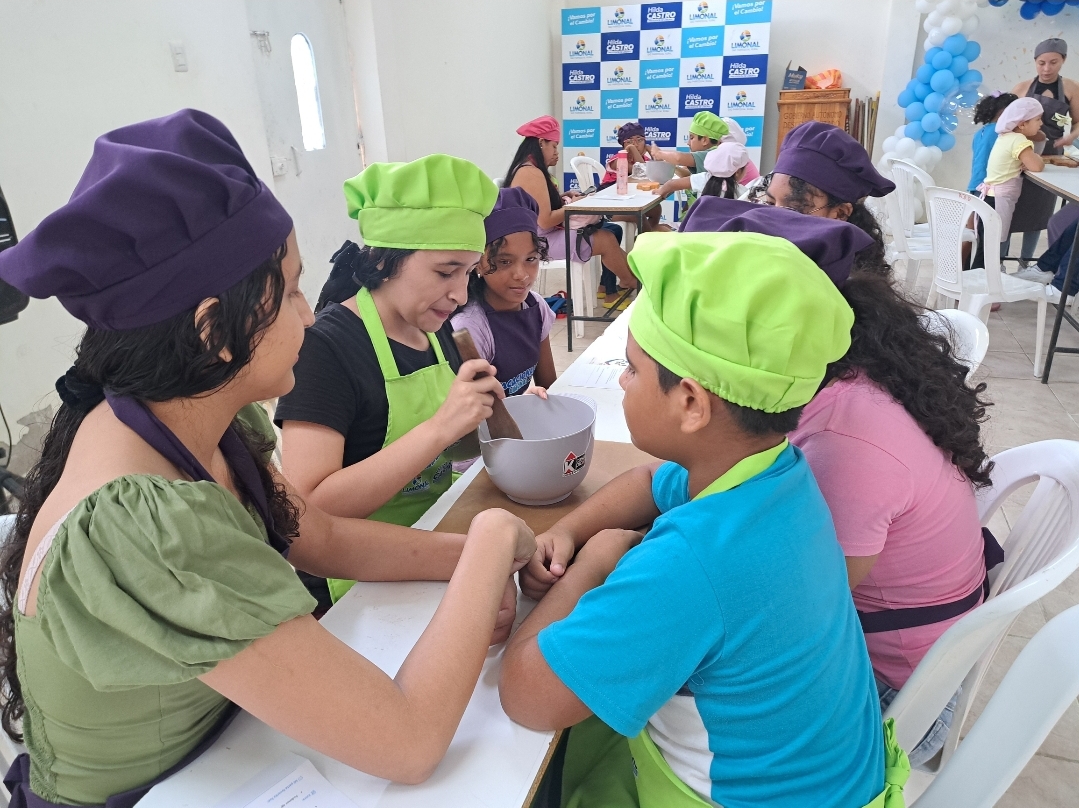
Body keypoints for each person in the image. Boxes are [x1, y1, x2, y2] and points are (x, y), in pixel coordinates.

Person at [0, 109, 536, 807]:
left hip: (227, 754)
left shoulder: (208, 422)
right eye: (290, 292)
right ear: (212, 330)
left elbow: (321, 536)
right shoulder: (142, 517)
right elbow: (408, 742)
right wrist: (491, 543)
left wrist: (481, 556)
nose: (310, 314)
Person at [500, 231, 908, 807]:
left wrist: (592, 563)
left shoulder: (691, 562)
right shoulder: (777, 473)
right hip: (834, 782)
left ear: (691, 403)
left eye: (632, 369)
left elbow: (527, 698)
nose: (622, 381)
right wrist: (567, 530)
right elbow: (649, 482)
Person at [681, 196, 997, 768]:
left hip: (901, 695)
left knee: (670, 679)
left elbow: (803, 604)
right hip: (903, 649)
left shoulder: (843, 440)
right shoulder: (854, 372)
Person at [276, 155, 508, 609]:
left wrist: (496, 412)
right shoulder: (325, 350)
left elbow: (447, 452)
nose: (460, 294)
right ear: (384, 260)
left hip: (433, 539)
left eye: (468, 272)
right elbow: (307, 512)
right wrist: (440, 427)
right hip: (357, 584)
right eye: (445, 272)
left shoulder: (434, 329)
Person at [504, 115, 635, 309]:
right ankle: (631, 282)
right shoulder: (531, 172)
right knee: (606, 239)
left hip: (538, 235)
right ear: (541, 143)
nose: (556, 152)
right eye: (554, 146)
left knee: (609, 233)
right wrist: (573, 205)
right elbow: (546, 220)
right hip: (535, 241)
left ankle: (629, 281)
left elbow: (539, 206)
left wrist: (564, 197)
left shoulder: (529, 169)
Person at [450, 187, 557, 396]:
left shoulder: (536, 306)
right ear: (478, 263)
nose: (521, 275)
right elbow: (476, 409)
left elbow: (550, 388)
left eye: (531, 259)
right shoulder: (470, 327)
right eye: (504, 262)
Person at [764, 121, 895, 274]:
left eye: (793, 209)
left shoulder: (838, 281)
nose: (774, 218)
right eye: (770, 203)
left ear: (840, 213)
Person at [1007, 38, 1079, 263]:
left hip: (1050, 157)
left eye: (1053, 62)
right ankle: (1000, 259)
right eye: (1041, 63)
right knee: (1009, 209)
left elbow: (1078, 122)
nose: (1047, 68)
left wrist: (1070, 137)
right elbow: (1005, 123)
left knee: (1039, 212)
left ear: (1063, 60)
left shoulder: (1071, 88)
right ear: (1035, 62)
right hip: (1021, 153)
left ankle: (1026, 263)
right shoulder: (1021, 88)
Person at [980, 97, 1046, 260]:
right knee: (996, 243)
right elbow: (1036, 166)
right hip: (1000, 199)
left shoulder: (1005, 136)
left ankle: (982, 271)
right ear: (1022, 124)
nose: (1041, 123)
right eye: (1038, 119)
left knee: (985, 245)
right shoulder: (1019, 140)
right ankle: (992, 272)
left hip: (989, 197)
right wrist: (1038, 158)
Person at [599, 122, 663, 233]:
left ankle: (644, 237)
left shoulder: (643, 159)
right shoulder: (618, 160)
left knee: (656, 209)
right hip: (609, 207)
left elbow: (659, 172)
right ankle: (647, 240)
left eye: (639, 140)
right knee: (638, 215)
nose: (635, 144)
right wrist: (632, 149)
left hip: (628, 202)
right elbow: (642, 171)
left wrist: (651, 151)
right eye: (629, 141)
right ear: (623, 145)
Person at [647, 111, 725, 175]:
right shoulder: (714, 153)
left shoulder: (712, 154)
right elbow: (689, 176)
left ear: (704, 140)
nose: (688, 143)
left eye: (691, 138)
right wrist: (671, 164)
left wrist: (659, 153)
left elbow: (679, 158)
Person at [969, 92, 1019, 193]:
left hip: (976, 184)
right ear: (1003, 113)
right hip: (989, 187)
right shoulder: (1001, 132)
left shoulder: (981, 132)